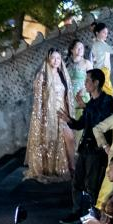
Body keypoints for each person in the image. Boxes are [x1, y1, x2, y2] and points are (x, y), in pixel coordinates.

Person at [60, 69, 113, 224]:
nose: (85, 83)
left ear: (96, 83)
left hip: (97, 149)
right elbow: (81, 124)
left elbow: (101, 122)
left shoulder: (107, 100)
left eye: (87, 80)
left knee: (93, 184)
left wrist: (85, 106)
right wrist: (69, 120)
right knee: (77, 181)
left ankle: (95, 216)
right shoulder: (90, 102)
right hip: (86, 146)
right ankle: (76, 211)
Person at [26, 48, 75, 181]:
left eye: (58, 58)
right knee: (51, 141)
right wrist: (40, 117)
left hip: (62, 113)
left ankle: (71, 167)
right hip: (49, 114)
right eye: (53, 58)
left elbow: (67, 95)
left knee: (69, 138)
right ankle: (54, 168)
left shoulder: (62, 74)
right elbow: (38, 99)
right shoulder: (42, 76)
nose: (56, 61)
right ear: (48, 59)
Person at [89, 22, 113, 96]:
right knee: (109, 93)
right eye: (104, 32)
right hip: (103, 71)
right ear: (97, 33)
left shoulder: (96, 43)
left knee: (102, 93)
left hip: (99, 70)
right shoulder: (100, 44)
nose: (106, 35)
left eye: (107, 33)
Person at [67, 40, 92, 115]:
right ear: (72, 50)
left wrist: (84, 90)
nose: (80, 49)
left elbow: (92, 80)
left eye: (82, 48)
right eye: (78, 47)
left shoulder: (86, 63)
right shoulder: (67, 64)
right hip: (70, 96)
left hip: (82, 95)